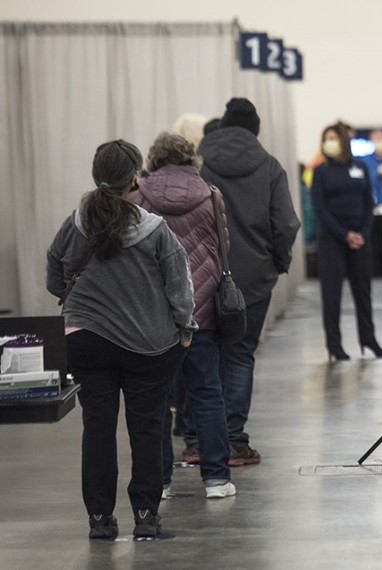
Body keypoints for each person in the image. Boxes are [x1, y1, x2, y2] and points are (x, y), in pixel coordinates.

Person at [46, 140, 195, 539]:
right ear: (134, 177)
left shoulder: (73, 223)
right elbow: (179, 286)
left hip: (86, 342)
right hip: (149, 344)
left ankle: (99, 520)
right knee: (147, 428)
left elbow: (53, 278)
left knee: (97, 428)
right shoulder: (154, 229)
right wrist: (184, 330)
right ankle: (146, 517)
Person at [197, 98, 301, 465]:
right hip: (254, 280)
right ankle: (235, 442)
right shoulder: (270, 167)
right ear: (255, 129)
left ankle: (199, 441)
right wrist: (278, 262)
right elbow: (286, 223)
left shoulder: (200, 165)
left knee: (203, 355)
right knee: (240, 356)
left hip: (204, 275)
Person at [135, 132, 236, 499]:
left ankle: (159, 482)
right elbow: (224, 247)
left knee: (156, 398)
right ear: (191, 158)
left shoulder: (139, 196)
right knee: (207, 392)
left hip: (153, 312)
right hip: (202, 308)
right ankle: (216, 480)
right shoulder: (211, 195)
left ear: (155, 158)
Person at [311, 122, 382, 361]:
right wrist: (344, 235)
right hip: (332, 239)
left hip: (360, 238)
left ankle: (369, 339)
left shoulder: (361, 168)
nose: (329, 143)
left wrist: (362, 234)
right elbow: (320, 209)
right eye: (326, 138)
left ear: (344, 140)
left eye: (333, 138)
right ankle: (334, 345)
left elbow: (369, 203)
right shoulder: (321, 171)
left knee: (363, 293)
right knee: (332, 295)